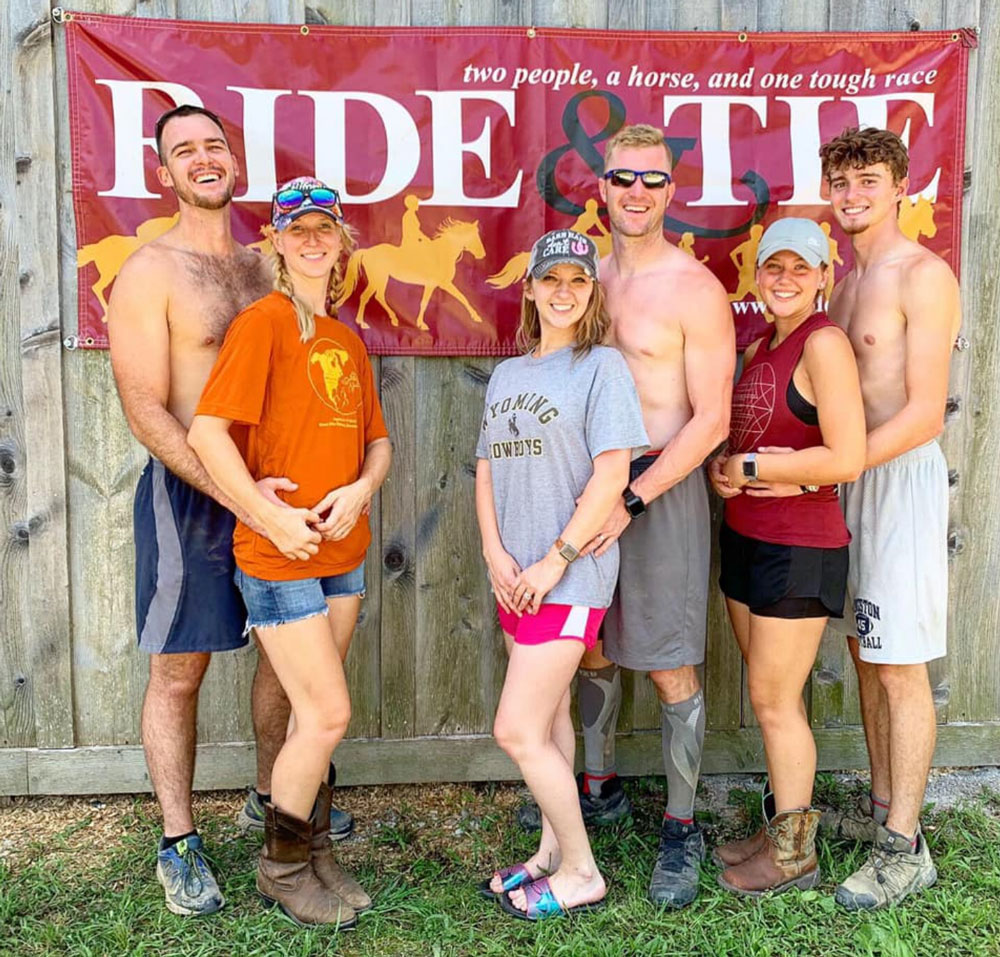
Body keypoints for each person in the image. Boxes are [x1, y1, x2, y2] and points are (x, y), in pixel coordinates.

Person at [188, 177, 391, 927]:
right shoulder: (263, 323)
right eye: (296, 228)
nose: (312, 239)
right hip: (279, 556)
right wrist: (265, 515)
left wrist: (363, 490)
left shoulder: (345, 336)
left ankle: (313, 850)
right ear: (274, 240)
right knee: (326, 711)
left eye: (324, 228)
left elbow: (378, 442)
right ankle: (281, 863)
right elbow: (209, 434)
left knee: (317, 713)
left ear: (341, 242)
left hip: (345, 549)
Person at [108, 104, 295, 916]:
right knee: (179, 671)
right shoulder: (149, 271)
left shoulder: (268, 266)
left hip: (282, 493)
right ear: (164, 172)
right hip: (191, 496)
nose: (203, 158)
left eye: (214, 144)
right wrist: (237, 497)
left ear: (235, 160)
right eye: (184, 150)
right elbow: (146, 407)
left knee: (290, 658)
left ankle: (269, 796)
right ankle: (179, 840)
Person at [580, 123, 736, 909]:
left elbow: (710, 420)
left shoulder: (695, 289)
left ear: (672, 192)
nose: (636, 192)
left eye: (652, 180)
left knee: (670, 655)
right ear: (601, 187)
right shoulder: (585, 275)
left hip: (659, 486)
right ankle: (598, 785)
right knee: (589, 645)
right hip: (587, 483)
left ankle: (681, 826)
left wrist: (636, 496)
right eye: (622, 178)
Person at [476, 229, 648, 920]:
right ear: (531, 288)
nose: (564, 291)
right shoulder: (508, 374)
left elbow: (613, 471)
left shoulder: (600, 366)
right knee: (545, 720)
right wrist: (494, 550)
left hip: (569, 577)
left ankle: (581, 870)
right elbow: (486, 467)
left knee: (515, 729)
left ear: (591, 292)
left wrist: (557, 558)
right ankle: (550, 850)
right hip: (514, 575)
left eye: (578, 280)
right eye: (552, 279)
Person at [819, 127, 961, 909]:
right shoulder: (842, 285)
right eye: (840, 182)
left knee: (901, 662)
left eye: (867, 179)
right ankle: (881, 816)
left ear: (900, 186)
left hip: (896, 479)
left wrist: (841, 464)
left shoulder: (921, 274)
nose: (853, 195)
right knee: (868, 649)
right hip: (850, 483)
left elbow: (926, 414)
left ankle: (907, 849)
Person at [707, 218, 866, 895]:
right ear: (757, 273)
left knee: (774, 700)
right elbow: (750, 444)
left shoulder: (823, 343)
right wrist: (728, 468)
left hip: (798, 544)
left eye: (802, 268)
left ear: (824, 276)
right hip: (747, 534)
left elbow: (848, 455)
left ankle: (795, 853)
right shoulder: (758, 346)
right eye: (775, 266)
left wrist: (751, 465)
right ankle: (780, 827)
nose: (785, 278)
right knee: (770, 692)